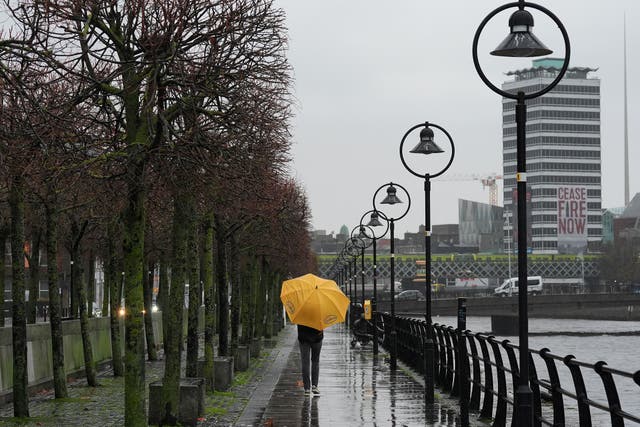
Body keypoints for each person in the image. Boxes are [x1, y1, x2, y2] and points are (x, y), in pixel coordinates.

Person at [297, 324, 324, 396]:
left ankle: (307, 388)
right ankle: (314, 385)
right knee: (315, 361)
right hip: (317, 337)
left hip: (303, 338)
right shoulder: (319, 312)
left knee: (305, 362)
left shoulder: (300, 313)